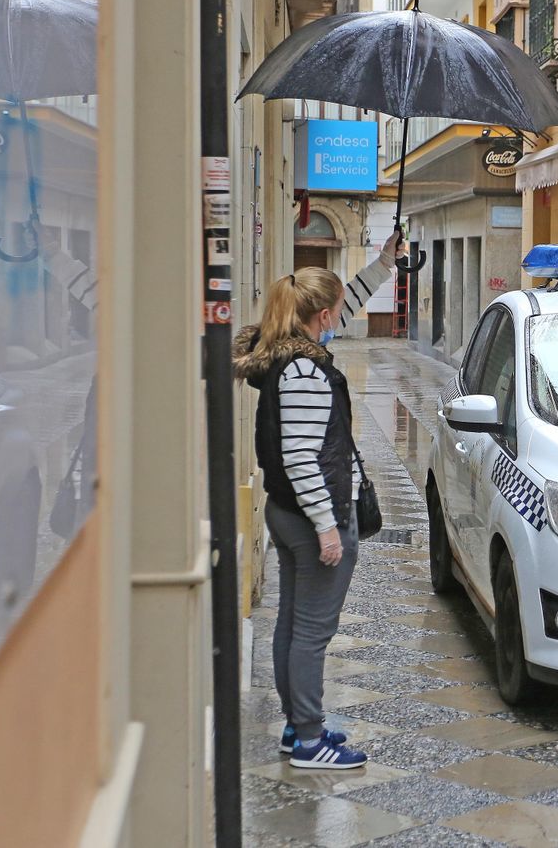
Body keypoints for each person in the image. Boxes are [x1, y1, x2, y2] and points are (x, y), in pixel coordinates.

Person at [232, 229, 405, 769]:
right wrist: (329, 526)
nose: (340, 316)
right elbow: (302, 457)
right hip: (311, 515)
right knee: (311, 632)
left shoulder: (288, 353)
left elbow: (345, 301)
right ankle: (308, 739)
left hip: (287, 512)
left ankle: (295, 726)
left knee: (292, 623)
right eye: (335, 311)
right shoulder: (305, 371)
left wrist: (382, 264)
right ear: (322, 318)